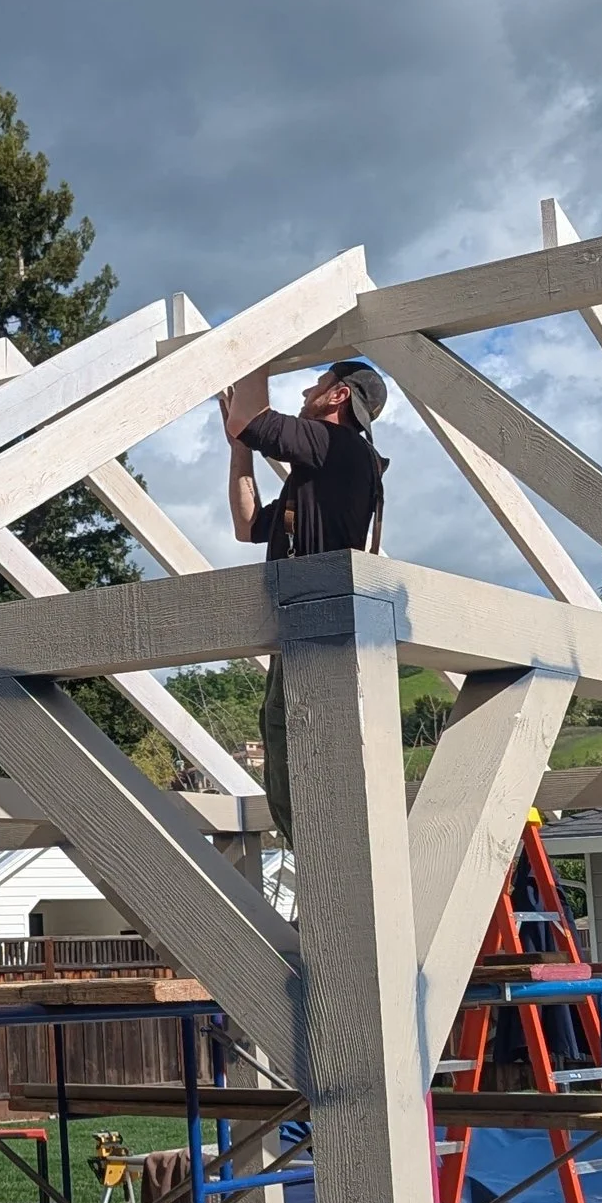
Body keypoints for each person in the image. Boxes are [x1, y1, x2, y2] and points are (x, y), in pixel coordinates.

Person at [222, 359, 390, 845]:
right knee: (283, 729)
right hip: (306, 622)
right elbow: (248, 526)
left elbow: (250, 421)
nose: (305, 392)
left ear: (339, 396)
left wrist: (254, 350)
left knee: (296, 734)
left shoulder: (336, 445)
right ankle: (311, 846)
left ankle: (316, 850)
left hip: (316, 622)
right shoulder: (319, 470)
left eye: (317, 384)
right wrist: (241, 450)